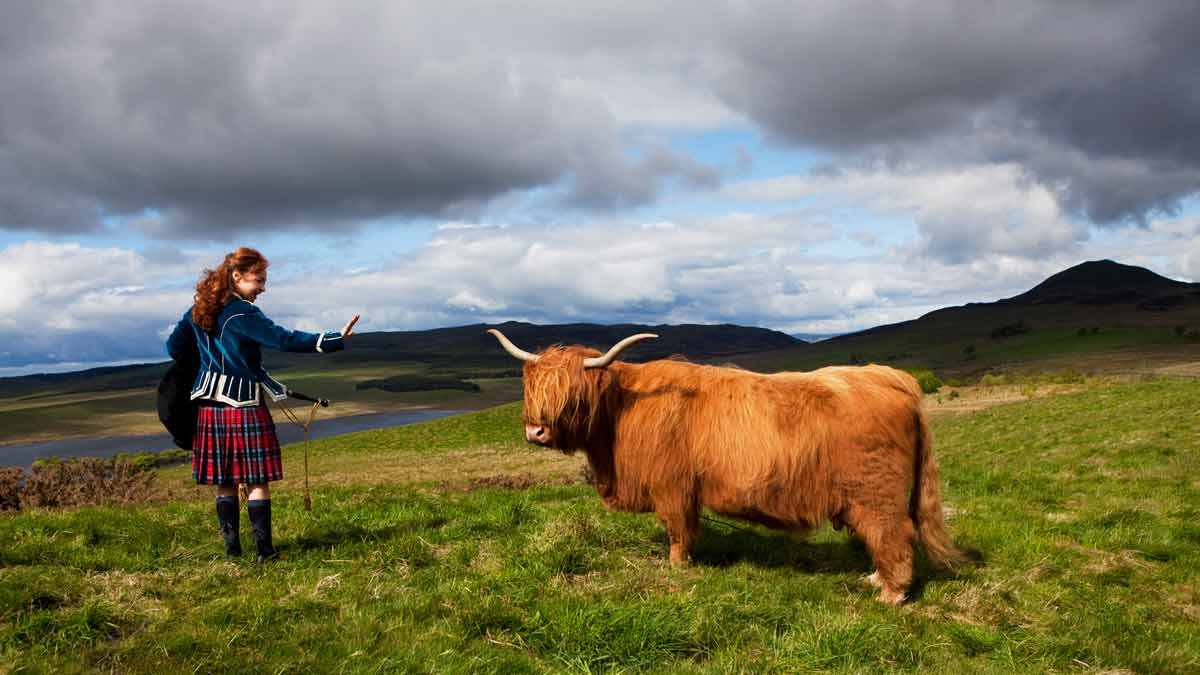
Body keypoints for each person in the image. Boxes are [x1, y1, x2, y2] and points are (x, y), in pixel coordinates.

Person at [166, 247, 359, 561]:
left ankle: (232, 553)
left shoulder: (198, 310)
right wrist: (332, 339)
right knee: (256, 480)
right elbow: (282, 339)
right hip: (243, 405)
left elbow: (173, 347)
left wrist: (207, 362)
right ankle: (265, 553)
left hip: (208, 406)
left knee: (224, 481)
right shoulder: (243, 313)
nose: (263, 287)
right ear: (237, 276)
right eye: (259, 279)